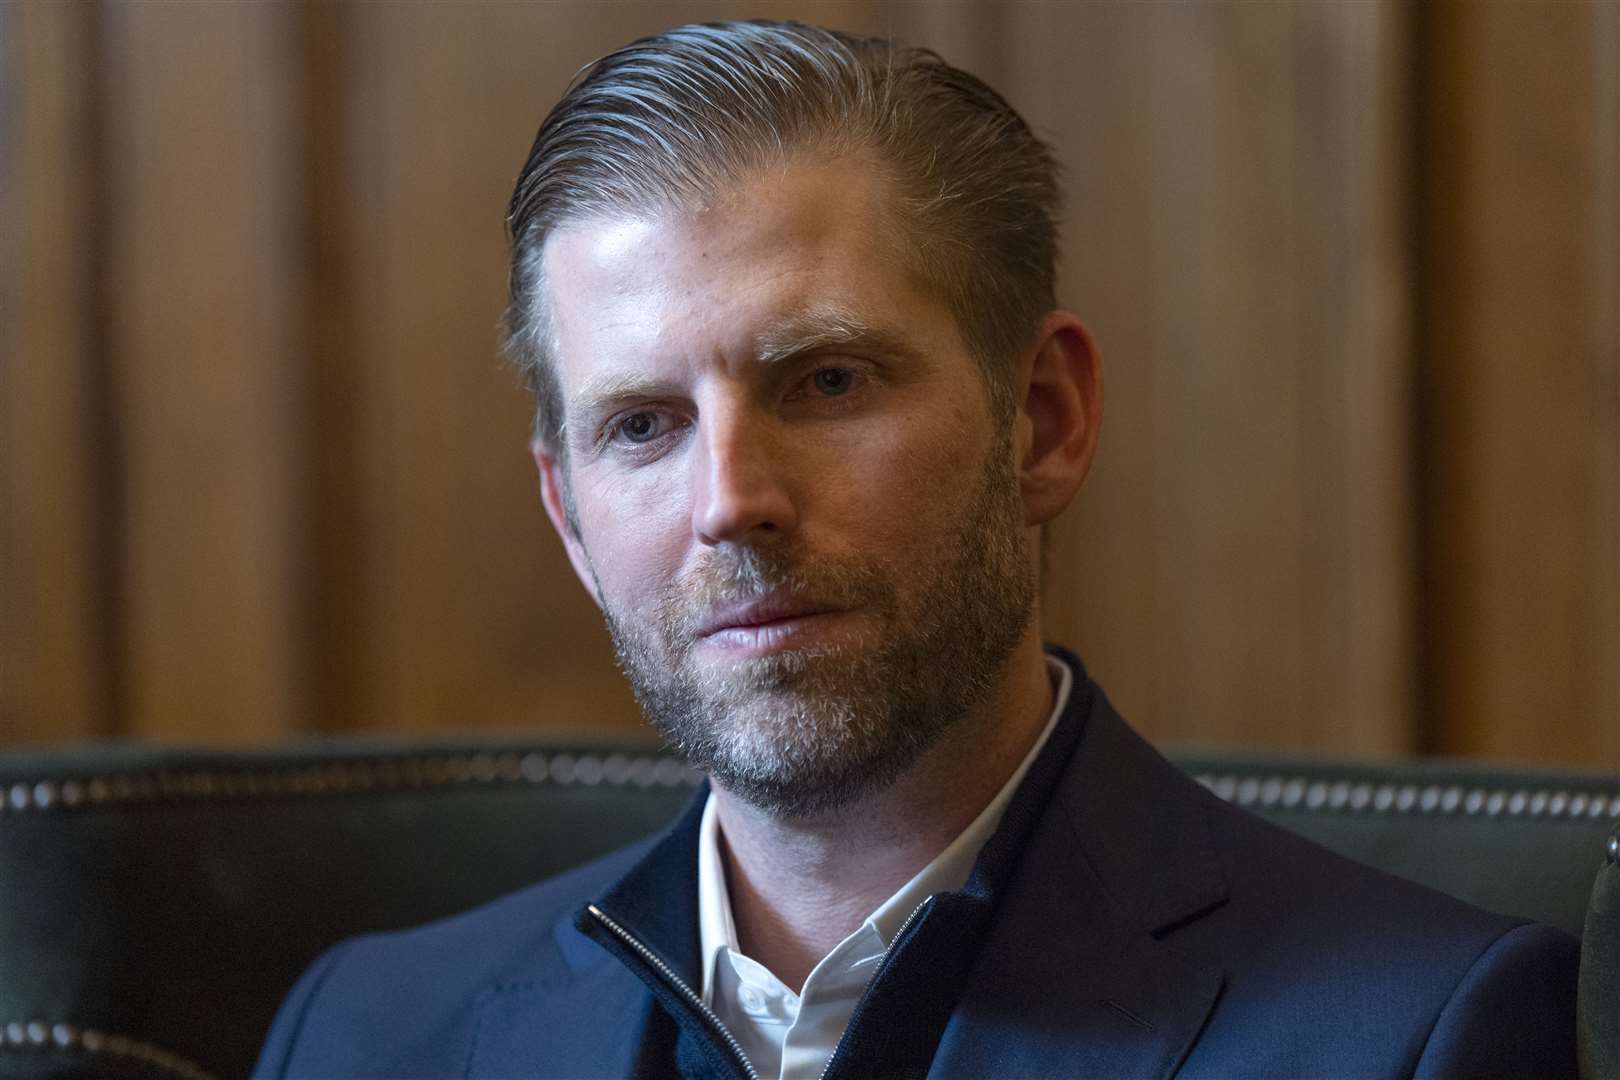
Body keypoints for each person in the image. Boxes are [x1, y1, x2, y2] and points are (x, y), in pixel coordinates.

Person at [255, 20, 1577, 1079]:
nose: (731, 501)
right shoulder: (366, 1034)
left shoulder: (1423, 1035)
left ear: (1042, 422)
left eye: (826, 382)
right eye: (643, 425)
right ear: (572, 521)